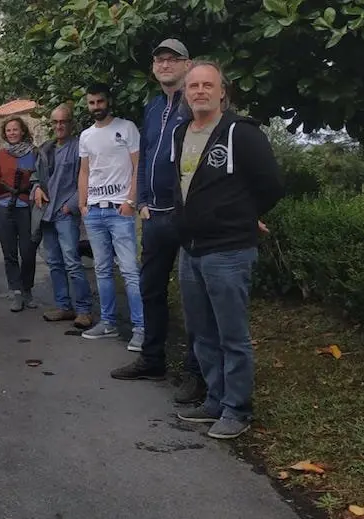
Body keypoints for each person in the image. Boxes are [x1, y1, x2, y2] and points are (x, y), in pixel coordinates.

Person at [172, 61, 283, 439]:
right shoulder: (181, 133)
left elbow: (270, 184)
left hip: (229, 251)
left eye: (208, 85)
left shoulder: (241, 132)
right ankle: (215, 400)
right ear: (185, 93)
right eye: (193, 86)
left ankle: (238, 409)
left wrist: (244, 216)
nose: (199, 91)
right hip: (191, 249)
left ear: (223, 92)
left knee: (231, 334)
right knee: (201, 332)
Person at [110, 39, 207, 404]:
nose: (165, 64)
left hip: (189, 216)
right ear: (154, 68)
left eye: (173, 59)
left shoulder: (195, 103)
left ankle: (196, 374)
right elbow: (147, 155)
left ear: (188, 64)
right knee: (151, 289)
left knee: (194, 296)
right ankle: (152, 360)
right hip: (154, 215)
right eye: (160, 59)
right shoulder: (152, 108)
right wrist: (141, 200)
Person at [77, 83, 145, 350]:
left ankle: (141, 328)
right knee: (102, 270)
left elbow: (138, 165)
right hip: (94, 210)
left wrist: (131, 201)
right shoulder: (86, 136)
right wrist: (83, 204)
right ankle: (108, 323)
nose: (96, 107)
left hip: (120, 209)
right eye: (92, 103)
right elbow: (85, 171)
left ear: (108, 102)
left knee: (129, 270)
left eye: (100, 102)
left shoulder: (127, 128)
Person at [31, 104, 94, 328]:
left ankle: (84, 310)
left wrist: (71, 206)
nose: (59, 126)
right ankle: (63, 306)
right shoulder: (45, 148)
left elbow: (86, 178)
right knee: (54, 262)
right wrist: (37, 188)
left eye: (63, 121)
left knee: (72, 262)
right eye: (55, 122)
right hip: (47, 215)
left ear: (71, 124)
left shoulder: (79, 148)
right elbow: (35, 177)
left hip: (65, 213)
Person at [0, 116, 40, 312]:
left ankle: (27, 289)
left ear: (22, 131)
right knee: (9, 252)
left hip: (25, 206)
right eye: (9, 130)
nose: (12, 133)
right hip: (4, 207)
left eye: (15, 129)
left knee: (28, 251)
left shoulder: (32, 153)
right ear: (5, 133)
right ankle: (16, 291)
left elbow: (37, 178)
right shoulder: (1, 154)